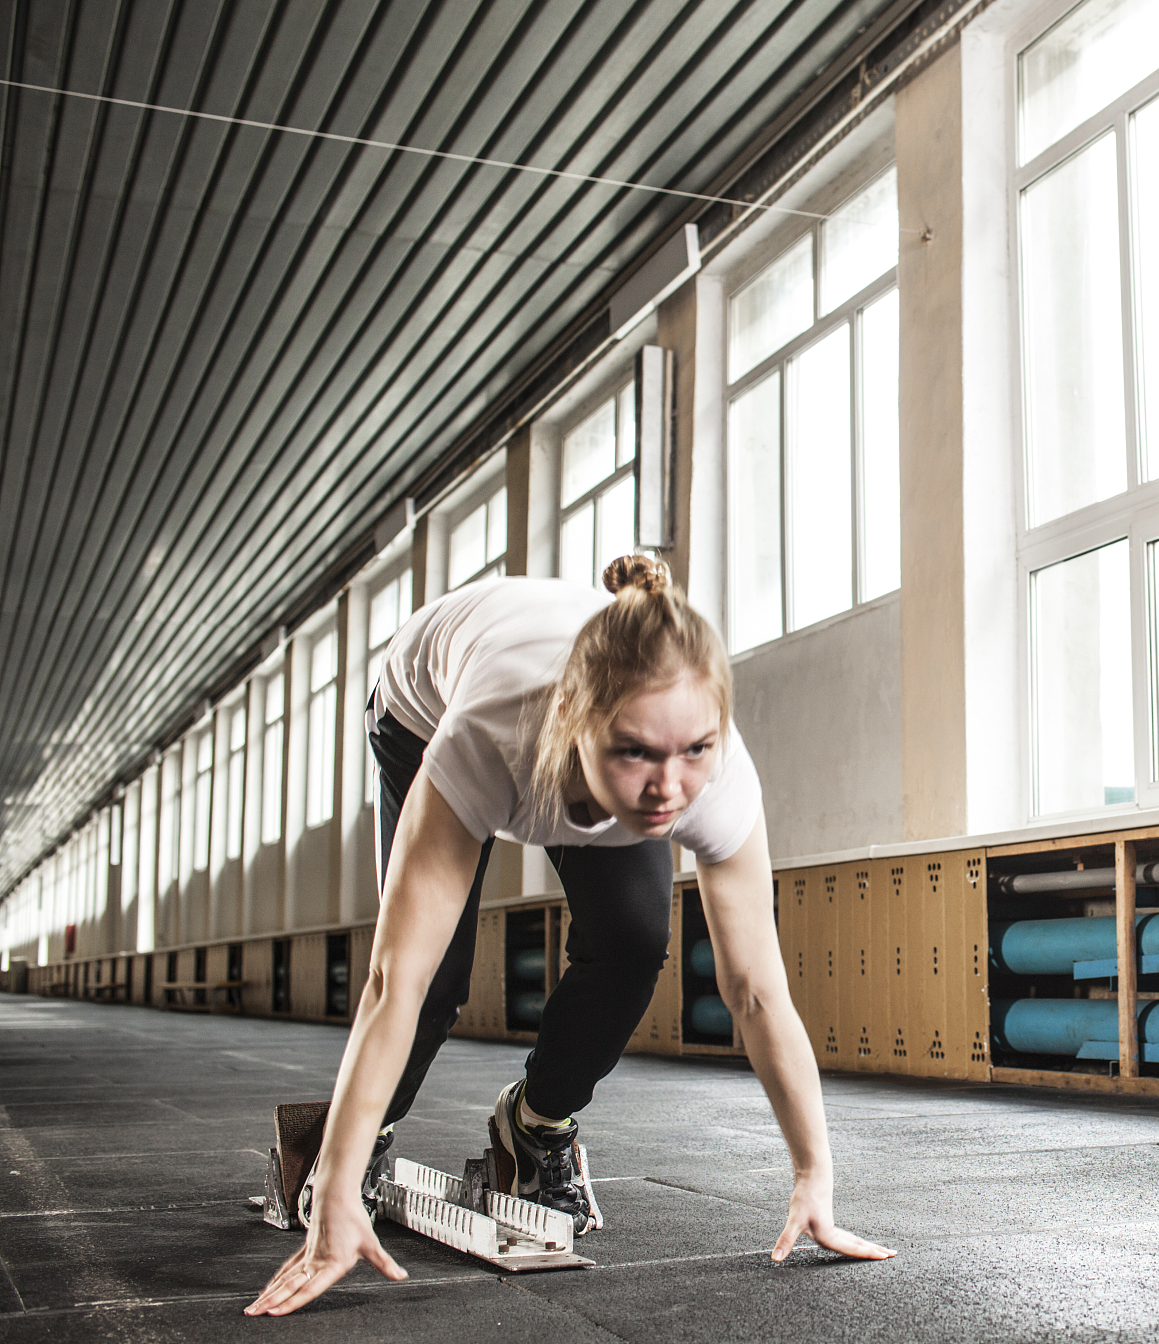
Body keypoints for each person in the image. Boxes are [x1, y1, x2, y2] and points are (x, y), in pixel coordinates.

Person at [248, 556, 891, 1316]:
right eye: (636, 753)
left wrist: (814, 1173)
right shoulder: (489, 739)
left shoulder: (705, 777)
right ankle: (354, 1134)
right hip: (419, 706)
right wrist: (337, 1190)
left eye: (695, 751)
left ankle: (534, 1122)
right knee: (437, 976)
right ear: (578, 726)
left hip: (562, 704)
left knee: (632, 941)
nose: (668, 789)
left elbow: (755, 989)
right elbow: (397, 979)